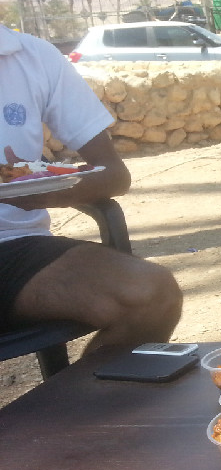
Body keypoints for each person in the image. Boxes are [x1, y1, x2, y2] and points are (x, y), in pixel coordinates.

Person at [0, 23, 183, 352]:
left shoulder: (32, 56)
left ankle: (84, 388)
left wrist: (55, 188)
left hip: (15, 250)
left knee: (153, 295)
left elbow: (114, 174)